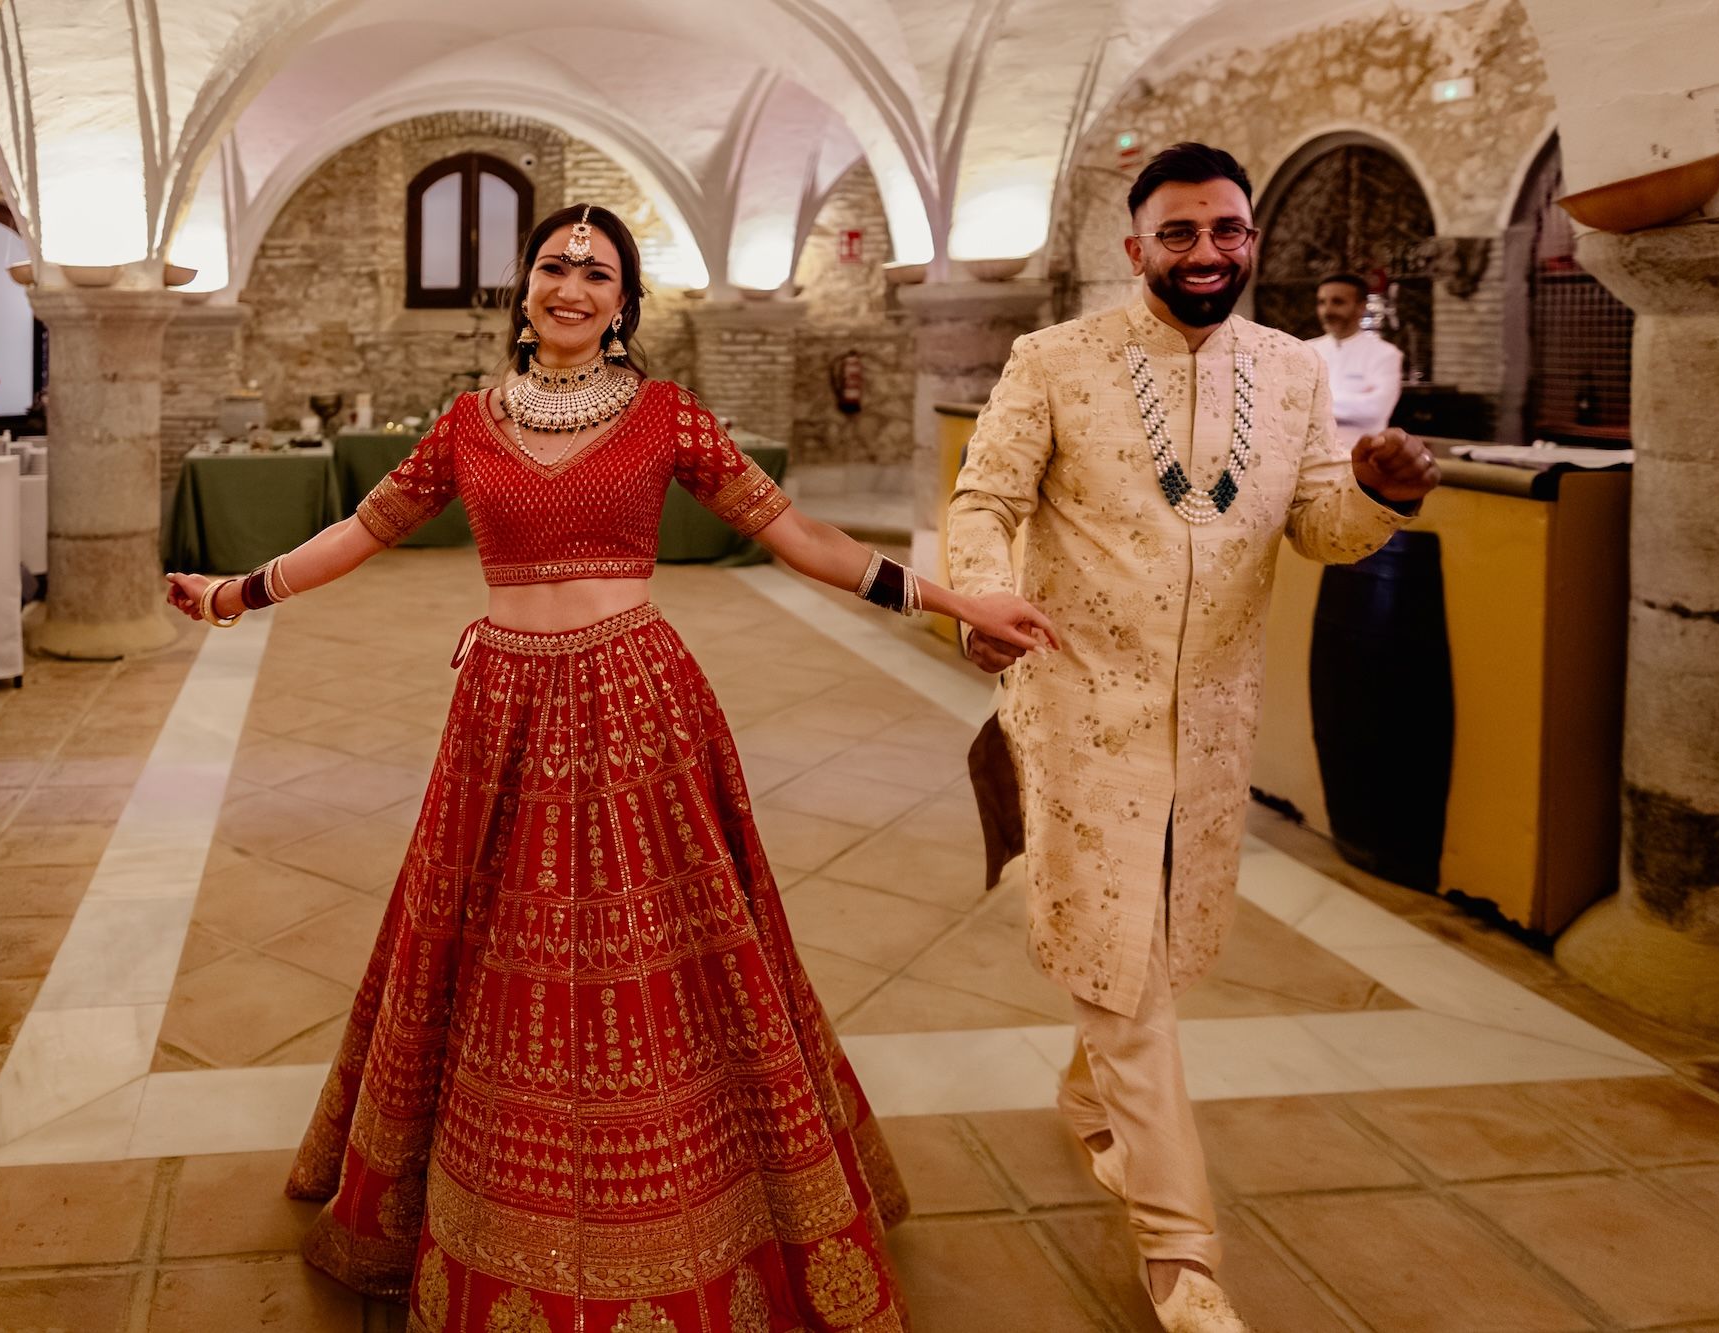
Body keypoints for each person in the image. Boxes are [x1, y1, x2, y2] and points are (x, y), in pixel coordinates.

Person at [165, 203, 1057, 1333]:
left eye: (597, 270)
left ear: (623, 302)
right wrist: (239, 593)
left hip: (638, 705)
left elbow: (801, 539)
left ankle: (706, 1201)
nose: (572, 284)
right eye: (553, 265)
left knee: (671, 952)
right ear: (522, 288)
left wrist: (950, 599)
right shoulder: (467, 423)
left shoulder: (666, 417)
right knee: (488, 946)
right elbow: (363, 526)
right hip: (500, 712)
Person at [946, 143, 1439, 1333]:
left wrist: (1378, 492)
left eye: (1227, 230)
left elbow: (1316, 527)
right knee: (1121, 958)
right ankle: (1182, 1253)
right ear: (1134, 249)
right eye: (1178, 233)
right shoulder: (1053, 359)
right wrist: (975, 598)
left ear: (1253, 241)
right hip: (1078, 709)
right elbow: (984, 499)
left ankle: (1091, 1103)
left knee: (1149, 947)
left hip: (1212, 721)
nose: (1205, 251)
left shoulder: (1288, 371)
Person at [1306, 273, 1403, 450]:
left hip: (1362, 459)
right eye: (1322, 302)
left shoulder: (1385, 354)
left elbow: (1375, 411)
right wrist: (1353, 403)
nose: (1327, 311)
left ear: (1361, 307)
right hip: (1311, 457)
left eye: (1338, 302)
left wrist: (1312, 401)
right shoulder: (1305, 350)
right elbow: (1288, 404)